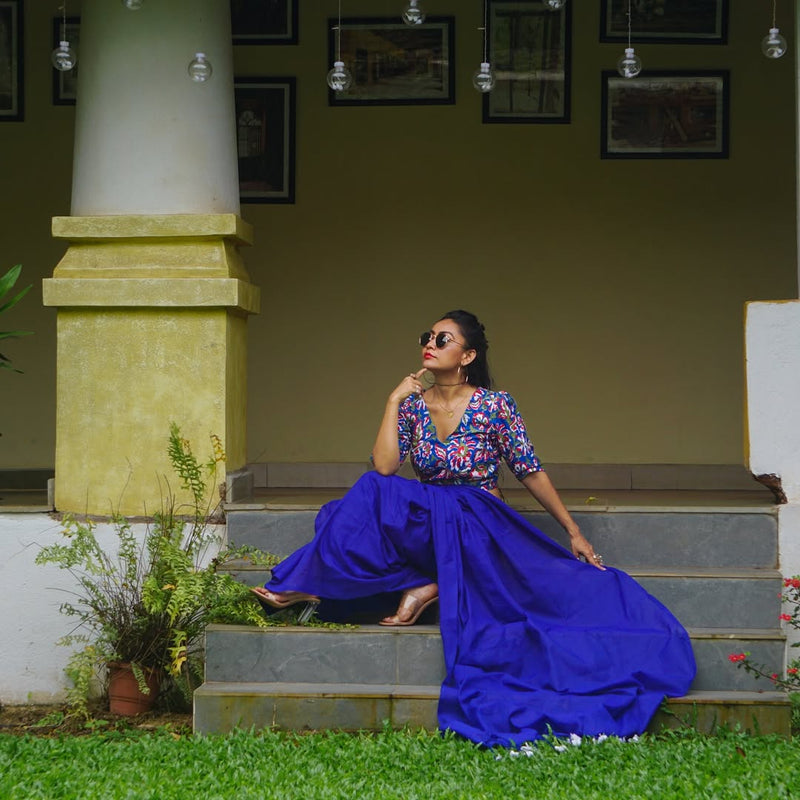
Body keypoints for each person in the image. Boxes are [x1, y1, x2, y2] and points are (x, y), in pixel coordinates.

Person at [252, 310, 696, 747]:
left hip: (478, 517)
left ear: (467, 356)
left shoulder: (494, 405)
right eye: (427, 335)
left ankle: (311, 583)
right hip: (431, 516)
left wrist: (572, 530)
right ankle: (424, 582)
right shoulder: (412, 406)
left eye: (443, 339)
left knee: (355, 504)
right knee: (344, 509)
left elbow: (529, 470)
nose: (430, 343)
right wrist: (393, 401)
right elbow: (387, 467)